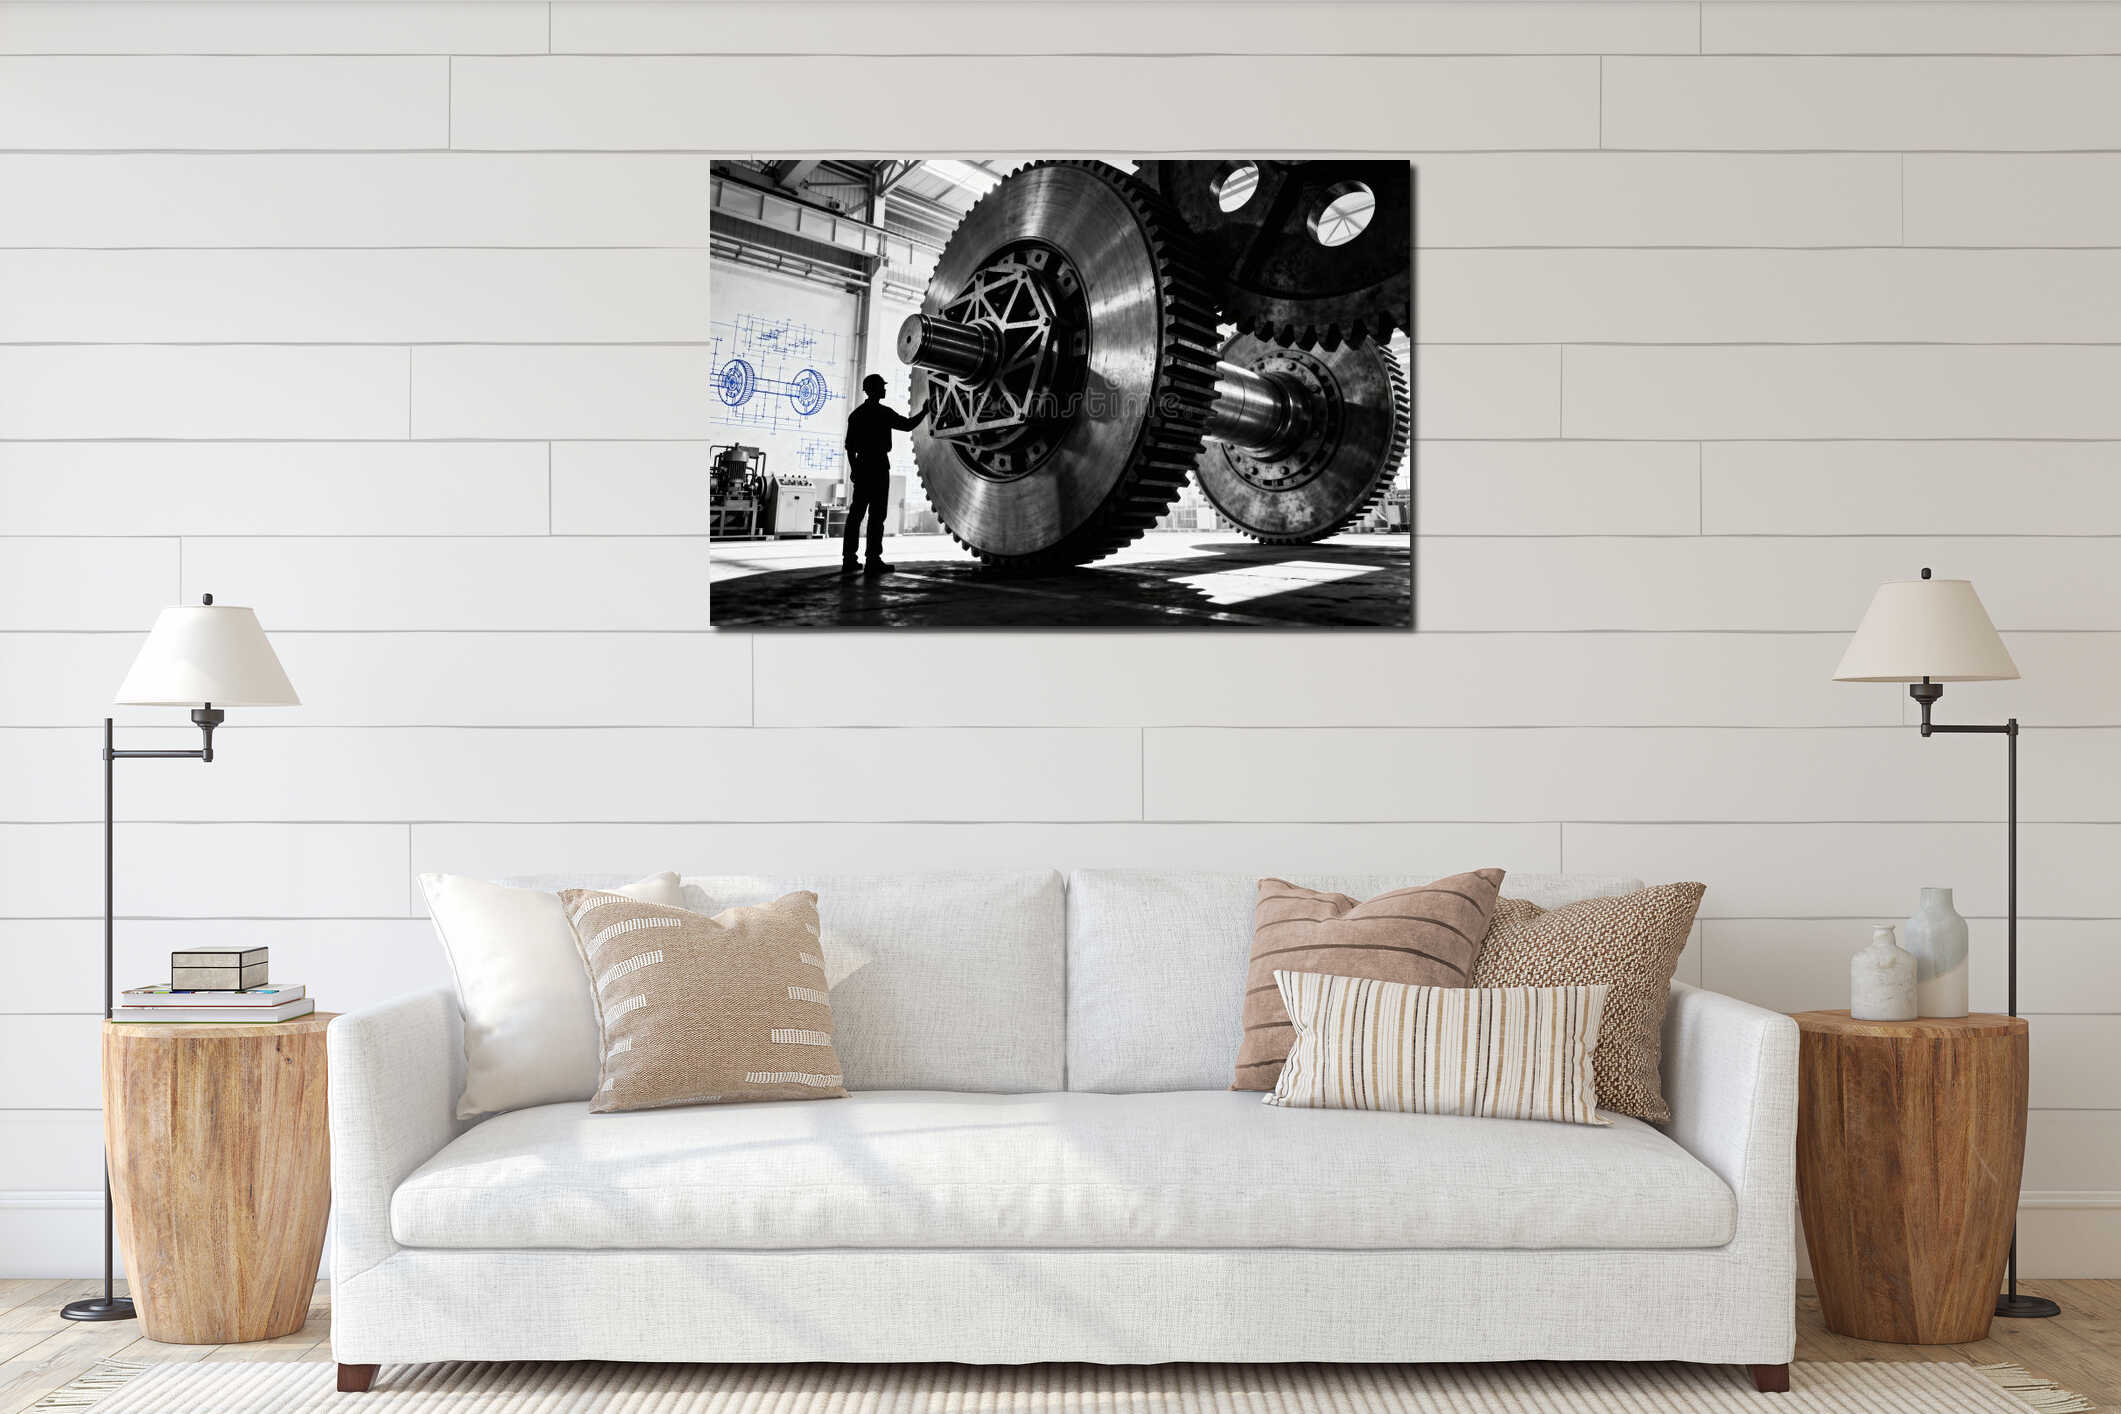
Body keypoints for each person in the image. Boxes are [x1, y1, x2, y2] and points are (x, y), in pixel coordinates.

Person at [840, 373, 930, 576]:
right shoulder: (883, 413)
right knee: (877, 516)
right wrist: (924, 412)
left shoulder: (856, 415)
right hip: (879, 466)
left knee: (856, 515)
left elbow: (849, 447)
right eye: (882, 386)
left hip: (863, 466)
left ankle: (849, 559)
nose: (885, 389)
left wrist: (855, 469)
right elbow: (907, 425)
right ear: (875, 389)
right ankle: (873, 560)